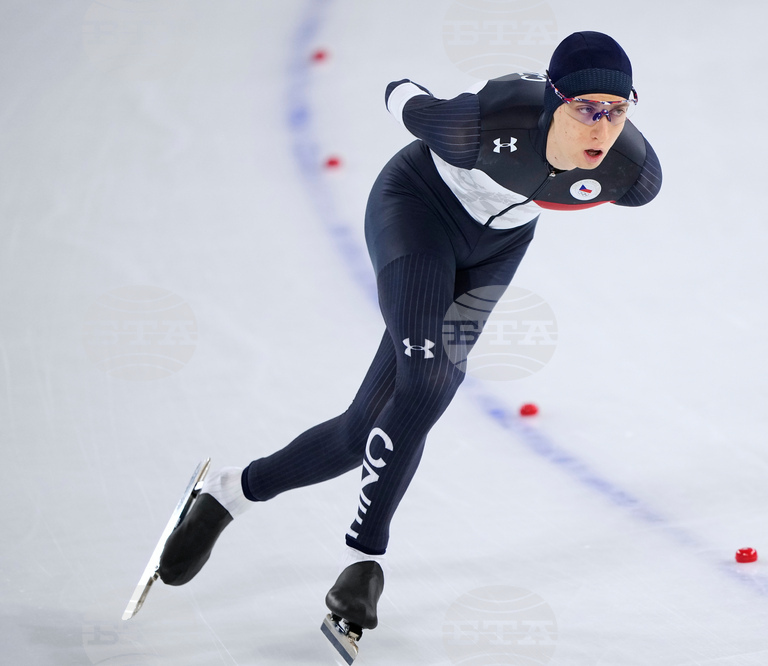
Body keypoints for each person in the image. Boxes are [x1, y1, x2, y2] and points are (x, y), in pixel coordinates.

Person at [155, 29, 661, 651]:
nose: (601, 128)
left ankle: (230, 491)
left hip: (496, 251)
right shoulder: (484, 123)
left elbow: (634, 174)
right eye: (585, 109)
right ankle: (364, 562)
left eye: (617, 110)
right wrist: (426, 103)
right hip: (417, 211)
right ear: (554, 100)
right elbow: (402, 94)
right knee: (431, 379)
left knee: (358, 432)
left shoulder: (630, 170)